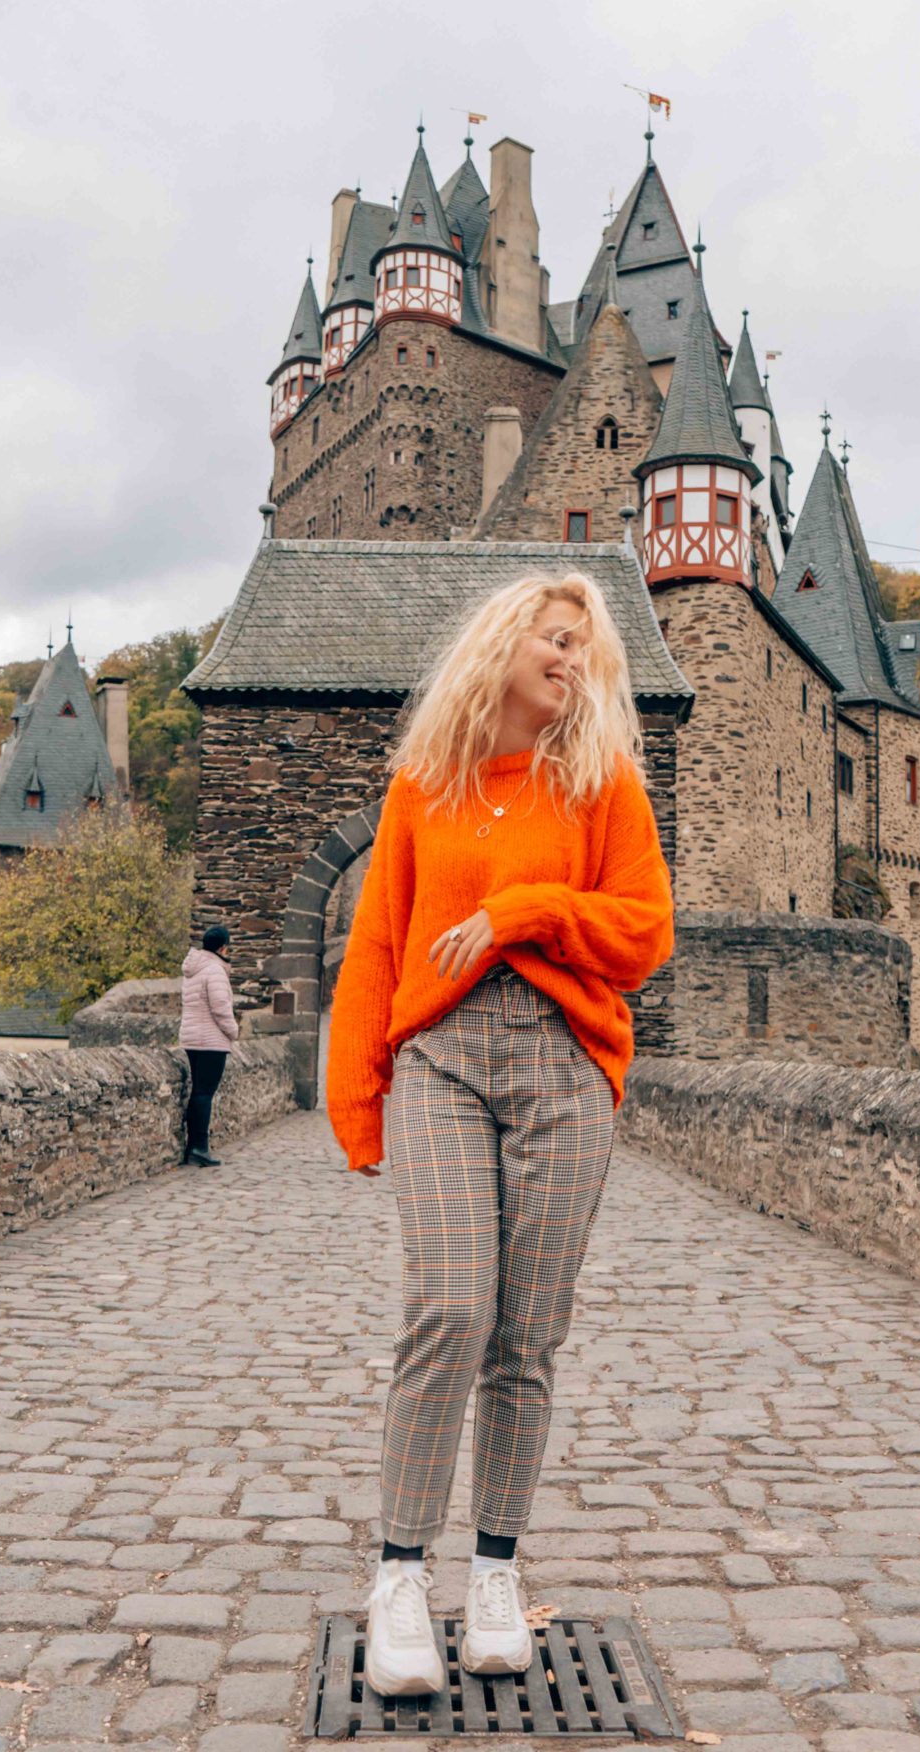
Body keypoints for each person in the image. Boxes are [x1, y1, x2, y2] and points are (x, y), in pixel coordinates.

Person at [326, 572, 674, 1697]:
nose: (573, 659)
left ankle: (494, 1571)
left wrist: (524, 913)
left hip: (566, 1070)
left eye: (587, 648)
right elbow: (377, 942)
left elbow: (644, 935)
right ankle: (396, 1575)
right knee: (450, 1310)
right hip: (443, 1062)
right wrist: (357, 1093)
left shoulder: (604, 785)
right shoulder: (423, 784)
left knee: (528, 1337)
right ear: (504, 642)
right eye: (558, 638)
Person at [179, 924, 239, 1168]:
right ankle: (198, 1148)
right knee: (205, 1093)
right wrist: (233, 1031)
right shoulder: (214, 970)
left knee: (198, 1093)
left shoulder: (194, 969)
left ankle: (195, 1145)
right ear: (223, 946)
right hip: (211, 1041)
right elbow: (220, 1007)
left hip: (192, 1038)